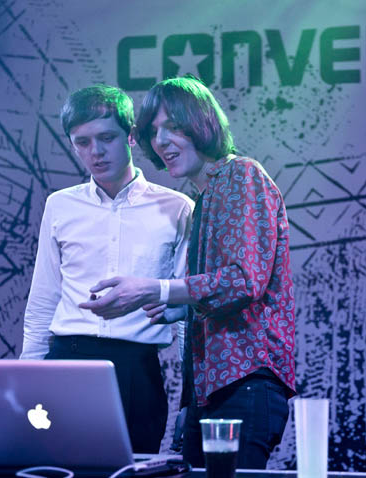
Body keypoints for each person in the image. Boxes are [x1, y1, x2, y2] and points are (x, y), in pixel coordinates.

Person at [79, 76, 296, 469]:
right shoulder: (205, 196)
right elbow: (220, 296)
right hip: (211, 392)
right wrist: (182, 310)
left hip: (246, 382)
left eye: (174, 126)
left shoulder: (241, 175)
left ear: (203, 124)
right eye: (153, 131)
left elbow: (244, 280)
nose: (162, 141)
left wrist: (156, 290)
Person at [20, 84, 193, 453]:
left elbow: (185, 313)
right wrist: (27, 380)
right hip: (65, 360)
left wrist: (190, 400)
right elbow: (43, 300)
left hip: (137, 369)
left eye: (107, 137)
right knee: (55, 470)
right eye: (82, 142)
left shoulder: (177, 208)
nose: (95, 151)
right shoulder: (60, 205)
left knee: (133, 471)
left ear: (131, 136)